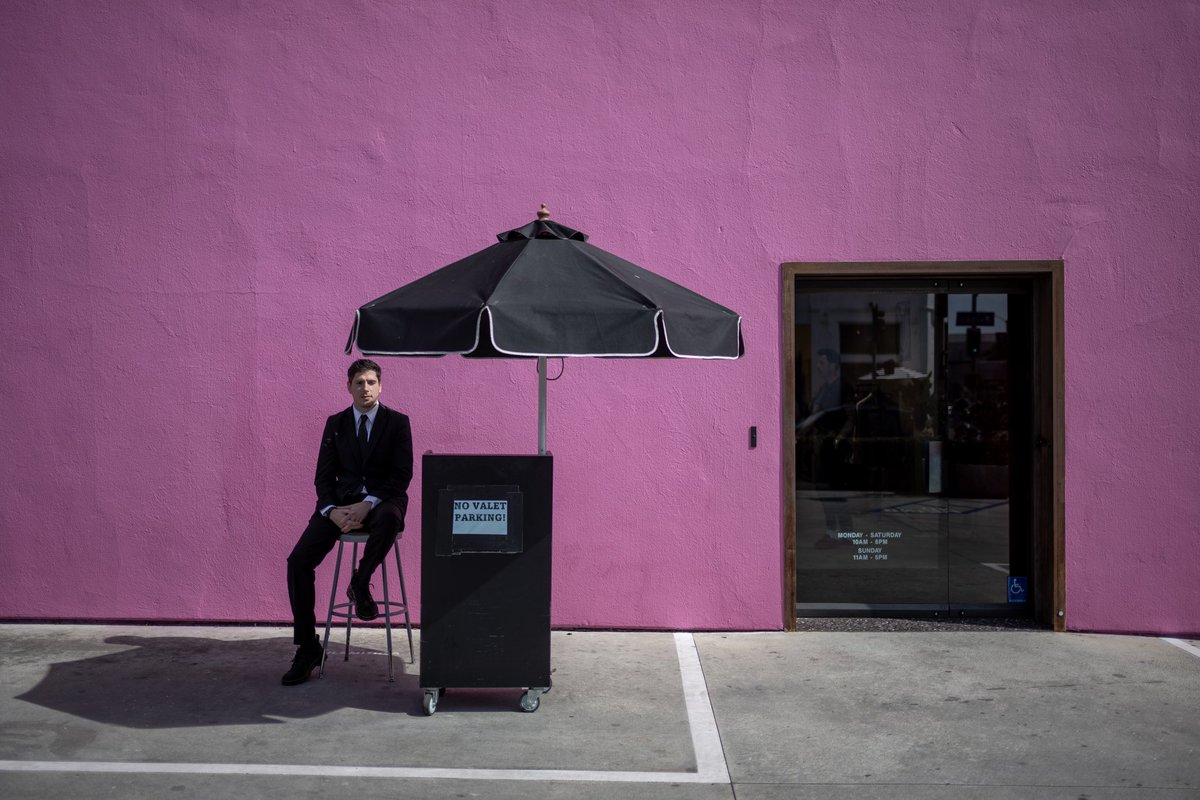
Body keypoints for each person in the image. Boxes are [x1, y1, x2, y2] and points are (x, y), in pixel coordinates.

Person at [282, 359, 413, 686]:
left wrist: (368, 504)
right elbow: (323, 477)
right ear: (349, 387)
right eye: (359, 383)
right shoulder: (336, 423)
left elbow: (401, 476)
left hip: (383, 501)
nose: (365, 388)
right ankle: (308, 647)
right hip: (341, 505)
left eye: (371, 382)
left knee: (389, 519)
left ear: (381, 386)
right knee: (298, 562)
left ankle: (360, 581)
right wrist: (330, 510)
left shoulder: (398, 423)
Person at [798, 348, 855, 548]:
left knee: (837, 492)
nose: (818, 366)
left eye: (822, 362)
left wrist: (840, 439)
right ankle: (832, 533)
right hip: (822, 447)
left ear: (833, 364)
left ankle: (846, 535)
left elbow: (850, 418)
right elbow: (814, 416)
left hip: (836, 449)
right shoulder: (824, 389)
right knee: (824, 492)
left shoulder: (844, 388)